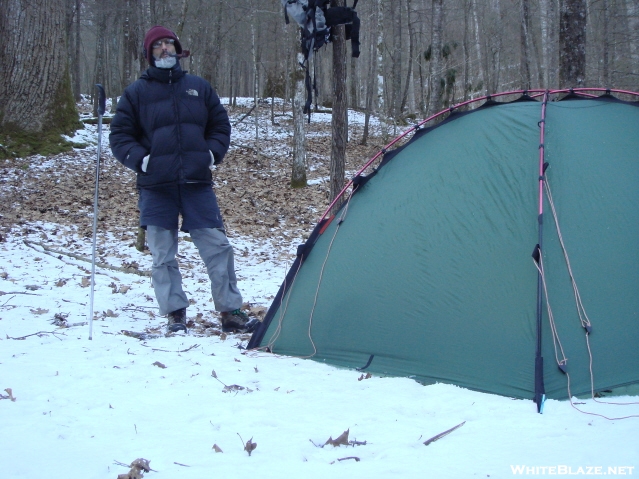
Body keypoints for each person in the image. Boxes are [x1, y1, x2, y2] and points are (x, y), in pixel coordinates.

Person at [109, 25, 256, 334]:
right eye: (158, 45)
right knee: (163, 254)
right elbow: (120, 136)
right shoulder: (136, 93)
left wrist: (211, 155)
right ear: (149, 53)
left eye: (169, 44)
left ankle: (231, 312)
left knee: (218, 247)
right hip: (155, 187)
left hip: (196, 184)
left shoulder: (199, 88)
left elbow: (220, 126)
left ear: (178, 50)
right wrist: (142, 160)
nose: (165, 49)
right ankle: (175, 314)